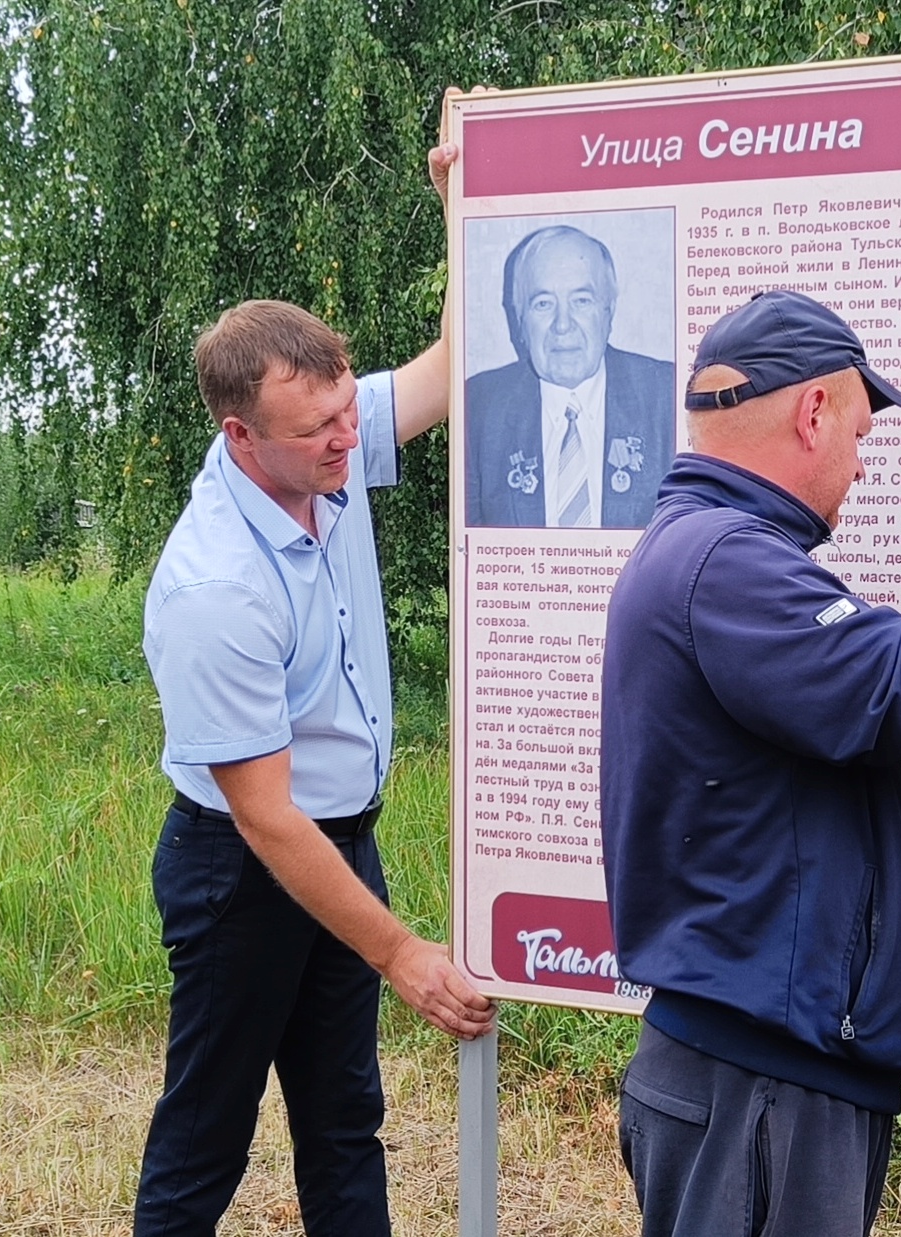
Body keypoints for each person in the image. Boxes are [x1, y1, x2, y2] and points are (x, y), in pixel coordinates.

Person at [599, 290, 901, 1237]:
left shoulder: (708, 549)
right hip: (761, 1087)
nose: (859, 459)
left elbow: (801, 761)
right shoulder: (729, 562)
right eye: (856, 429)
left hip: (757, 1075)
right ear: (811, 413)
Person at [135, 138, 496, 1236]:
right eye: (321, 430)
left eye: (349, 411)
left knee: (345, 1114)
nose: (353, 438)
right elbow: (266, 817)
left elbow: (456, 356)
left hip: (344, 835)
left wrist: (464, 205)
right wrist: (400, 952)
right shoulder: (213, 585)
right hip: (245, 868)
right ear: (238, 435)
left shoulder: (322, 447)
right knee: (210, 1128)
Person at [464, 224, 675, 527]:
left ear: (609, 309)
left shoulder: (666, 396)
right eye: (543, 304)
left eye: (581, 301)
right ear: (520, 319)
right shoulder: (479, 408)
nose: (563, 325)